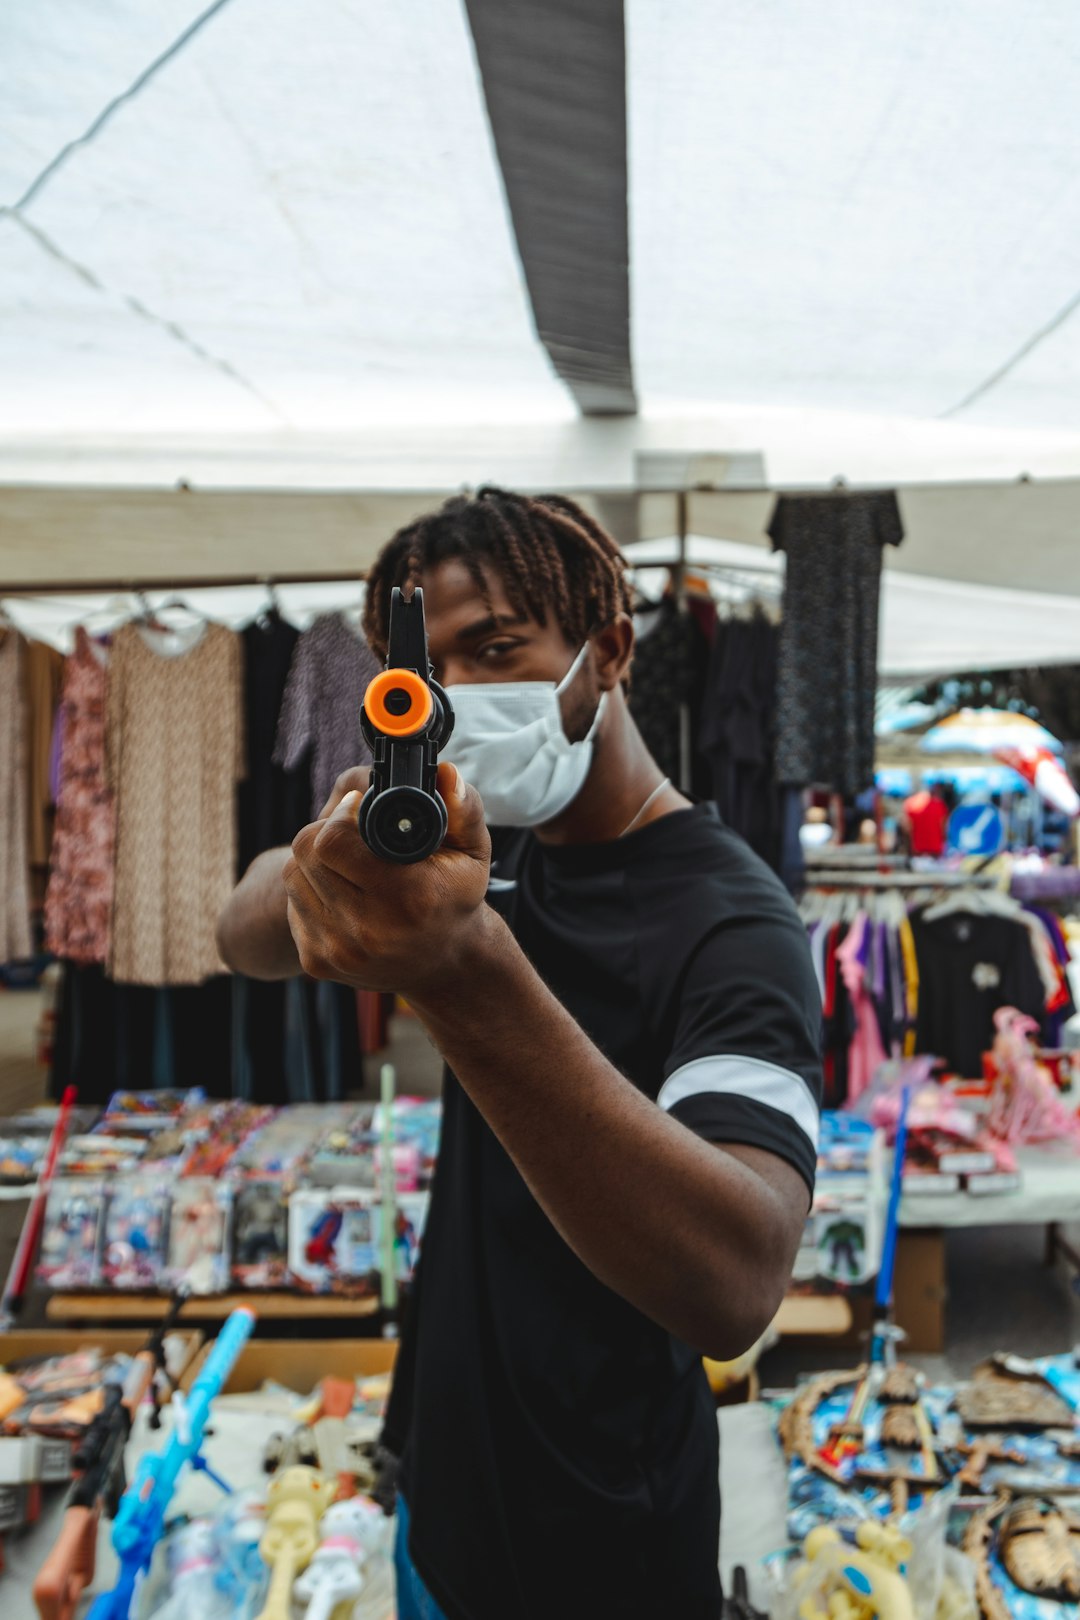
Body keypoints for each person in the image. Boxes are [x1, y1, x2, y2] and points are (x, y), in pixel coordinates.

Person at [218, 490, 823, 1620]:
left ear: (607, 651)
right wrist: (324, 868)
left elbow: (739, 1279)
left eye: (497, 649)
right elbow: (240, 930)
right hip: (441, 1487)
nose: (464, 697)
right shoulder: (483, 854)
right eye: (433, 671)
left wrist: (463, 970)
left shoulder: (734, 920)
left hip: (603, 1537)